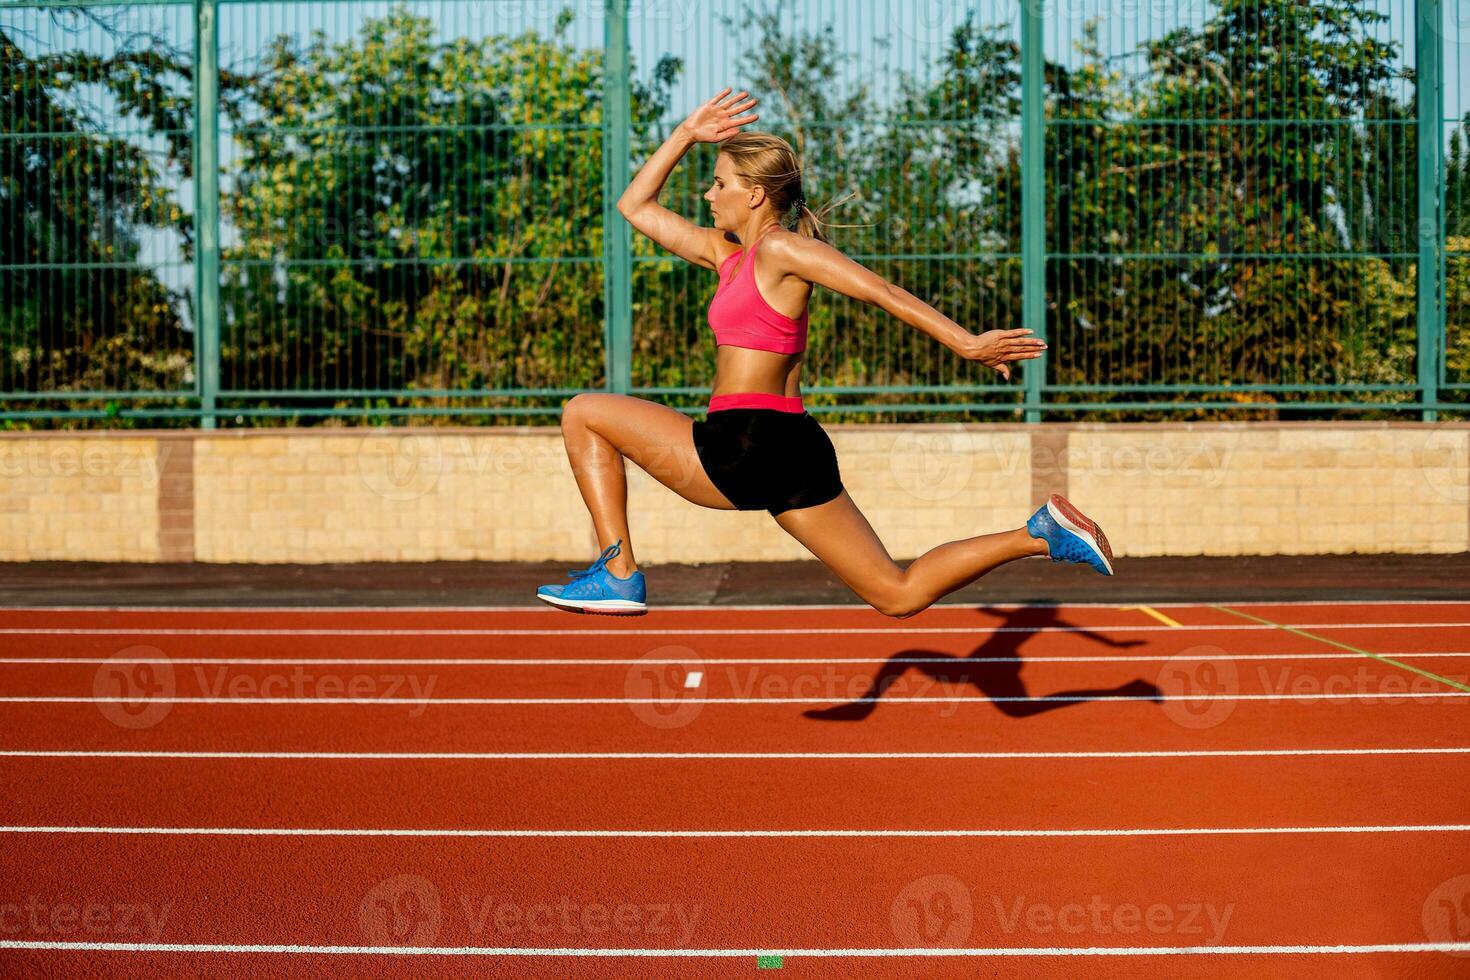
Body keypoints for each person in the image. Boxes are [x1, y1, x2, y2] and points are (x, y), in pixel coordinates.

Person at [536, 88, 1112, 616]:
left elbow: (878, 290)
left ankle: (617, 571)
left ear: (755, 193)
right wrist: (687, 133)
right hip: (792, 446)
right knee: (897, 593)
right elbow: (634, 206)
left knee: (583, 412)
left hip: (744, 442)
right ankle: (1039, 534)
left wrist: (966, 342)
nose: (708, 195)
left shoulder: (783, 249)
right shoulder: (726, 255)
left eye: (718, 183)